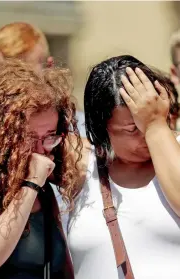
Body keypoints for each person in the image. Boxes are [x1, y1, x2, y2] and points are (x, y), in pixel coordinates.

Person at [67, 55, 180, 279]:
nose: (145, 137)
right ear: (102, 129)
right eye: (131, 129)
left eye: (146, 122)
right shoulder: (80, 164)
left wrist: (156, 126)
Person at [0, 59, 83, 279]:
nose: (39, 150)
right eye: (28, 138)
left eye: (49, 137)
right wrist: (31, 184)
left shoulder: (51, 182)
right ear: (2, 135)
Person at [0, 21, 86, 137]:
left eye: (26, 77)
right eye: (7, 78)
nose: (16, 89)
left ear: (49, 68)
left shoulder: (81, 131)